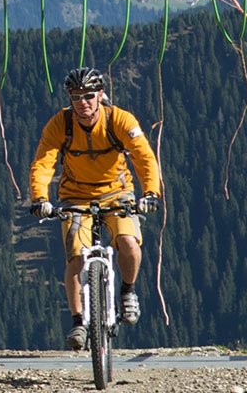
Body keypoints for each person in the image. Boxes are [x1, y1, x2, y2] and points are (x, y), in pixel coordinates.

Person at [27, 67, 163, 351]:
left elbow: (144, 157)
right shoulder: (59, 125)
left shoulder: (120, 120)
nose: (83, 102)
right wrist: (41, 199)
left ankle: (127, 290)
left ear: (101, 95)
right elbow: (43, 163)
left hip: (117, 194)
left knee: (129, 244)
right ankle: (78, 323)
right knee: (76, 257)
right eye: (76, 96)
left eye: (89, 96)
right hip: (75, 196)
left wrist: (151, 192)